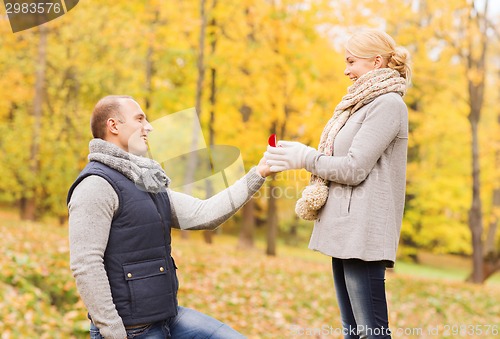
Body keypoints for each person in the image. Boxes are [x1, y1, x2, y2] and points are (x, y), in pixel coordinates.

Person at [68, 95, 272, 339]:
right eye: (140, 119)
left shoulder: (147, 179)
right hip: (130, 330)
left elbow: (203, 214)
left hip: (168, 317)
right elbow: (86, 264)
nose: (149, 126)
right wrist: (113, 331)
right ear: (113, 126)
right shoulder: (96, 185)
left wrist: (259, 173)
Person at [265, 29, 411, 339]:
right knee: (353, 333)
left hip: (364, 236)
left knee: (371, 333)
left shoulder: (387, 105)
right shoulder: (358, 104)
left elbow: (355, 168)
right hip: (345, 231)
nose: (346, 70)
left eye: (351, 62)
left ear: (376, 61)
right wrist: (299, 155)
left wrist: (306, 158)